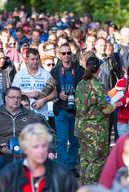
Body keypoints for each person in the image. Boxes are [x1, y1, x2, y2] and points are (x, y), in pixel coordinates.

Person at [0, 86, 53, 186]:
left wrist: (50, 150)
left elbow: (45, 133)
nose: (16, 100)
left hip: (26, 151)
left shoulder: (31, 116)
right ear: (6, 98)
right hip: (2, 151)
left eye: (18, 97)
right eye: (12, 97)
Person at [0, 123, 77, 192]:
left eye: (44, 145)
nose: (41, 151)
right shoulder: (8, 174)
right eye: (35, 147)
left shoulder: (62, 174)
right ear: (25, 148)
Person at [75, 56, 115, 184]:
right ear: (98, 69)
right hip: (96, 129)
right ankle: (91, 187)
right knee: (97, 161)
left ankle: (83, 185)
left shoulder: (80, 84)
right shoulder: (97, 85)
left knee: (85, 159)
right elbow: (105, 109)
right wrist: (115, 105)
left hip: (81, 127)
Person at [50, 43, 84, 174]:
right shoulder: (54, 71)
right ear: (59, 55)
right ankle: (62, 168)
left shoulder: (80, 70)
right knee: (61, 140)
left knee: (75, 140)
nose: (66, 56)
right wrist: (58, 95)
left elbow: (84, 89)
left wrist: (75, 96)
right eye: (63, 53)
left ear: (72, 54)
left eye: (68, 53)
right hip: (60, 109)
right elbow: (49, 90)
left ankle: (72, 166)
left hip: (76, 110)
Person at [12, 48, 57, 119]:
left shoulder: (46, 74)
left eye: (37, 59)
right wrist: (30, 94)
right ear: (26, 60)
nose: (35, 61)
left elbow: (55, 94)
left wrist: (43, 100)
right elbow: (13, 94)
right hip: (22, 115)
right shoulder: (19, 75)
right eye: (32, 59)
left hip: (41, 115)